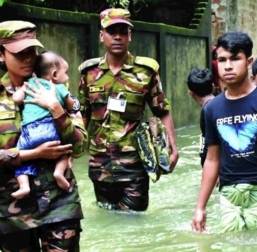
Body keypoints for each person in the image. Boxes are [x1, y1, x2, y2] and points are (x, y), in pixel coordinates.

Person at [0, 21, 87, 251]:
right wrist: (30, 154)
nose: (28, 58)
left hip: (61, 204)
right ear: (0, 54)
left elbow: (79, 147)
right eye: (19, 53)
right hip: (13, 210)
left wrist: (58, 112)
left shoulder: (55, 87)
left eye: (31, 51)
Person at [191, 31, 257, 234]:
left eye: (235, 59)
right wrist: (200, 207)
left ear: (248, 61)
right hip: (229, 198)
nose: (228, 65)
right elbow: (212, 160)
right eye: (222, 60)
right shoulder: (212, 108)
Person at [77, 8, 179, 211]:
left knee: (133, 222)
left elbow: (162, 110)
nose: (117, 37)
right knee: (107, 219)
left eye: (123, 31)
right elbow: (83, 115)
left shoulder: (146, 71)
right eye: (111, 31)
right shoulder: (89, 73)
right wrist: (72, 153)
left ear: (130, 36)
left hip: (135, 166)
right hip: (100, 165)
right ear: (101, 35)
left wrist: (172, 148)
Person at [11, 51, 81, 199]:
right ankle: (59, 172)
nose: (67, 77)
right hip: (50, 128)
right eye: (66, 73)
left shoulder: (29, 83)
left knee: (20, 157)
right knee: (65, 150)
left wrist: (19, 91)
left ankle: (23, 186)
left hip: (29, 131)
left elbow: (16, 99)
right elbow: (71, 105)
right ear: (54, 74)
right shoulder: (58, 86)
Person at [186, 67, 214, 166]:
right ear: (213, 87)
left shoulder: (207, 110)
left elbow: (210, 147)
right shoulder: (217, 105)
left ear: (191, 93)